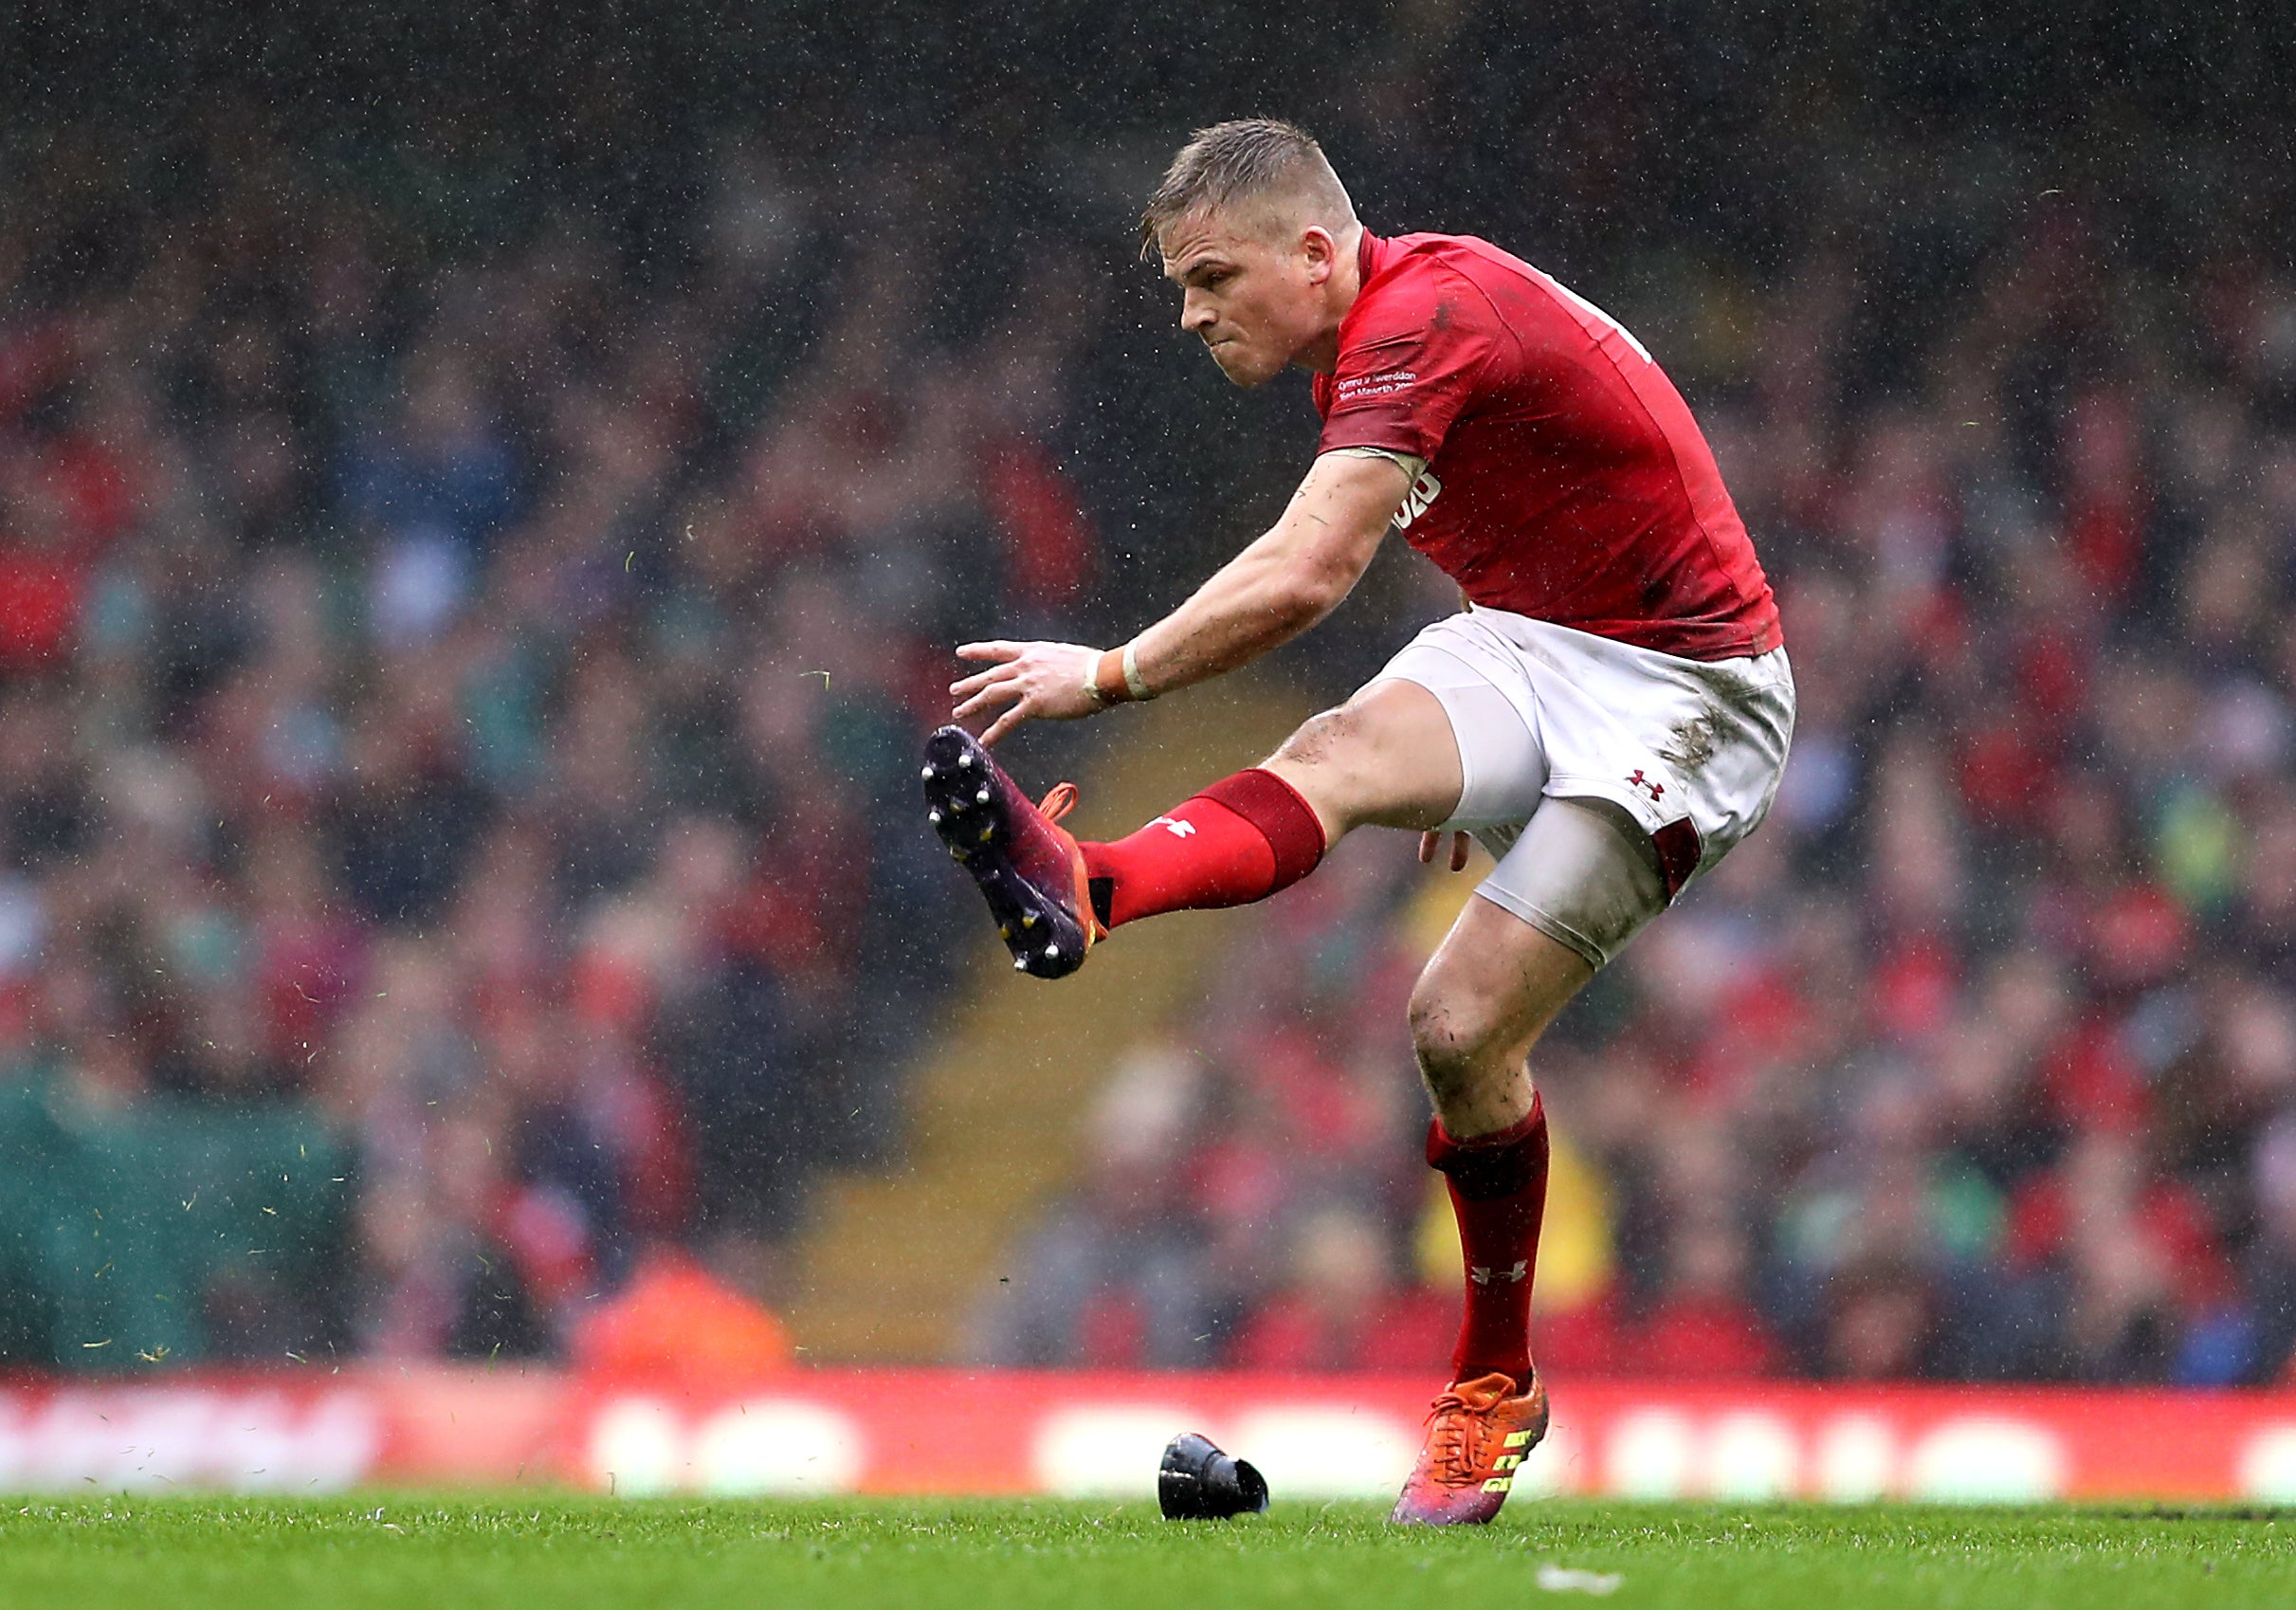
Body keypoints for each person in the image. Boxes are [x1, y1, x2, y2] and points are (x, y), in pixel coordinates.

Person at [923, 119, 1794, 1526]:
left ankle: (1492, 1386)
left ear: (1317, 254)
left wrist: (1107, 673)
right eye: (1179, 288)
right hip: (1534, 636)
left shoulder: (1417, 320)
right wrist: (1477, 763)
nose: (1190, 313)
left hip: (1685, 694)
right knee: (1335, 751)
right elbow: (1562, 482)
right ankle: (1086, 885)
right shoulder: (1391, 324)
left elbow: (1309, 572)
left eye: (1210, 278)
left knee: (1454, 1026)